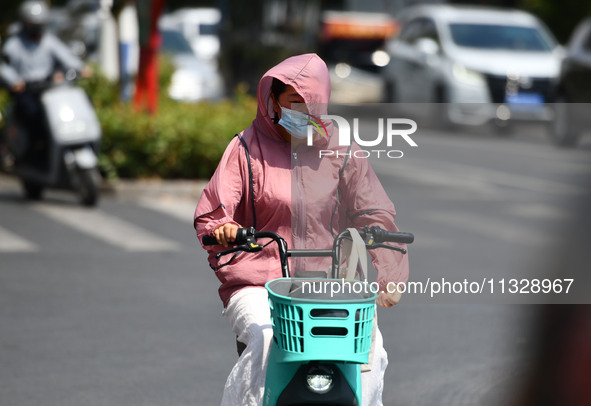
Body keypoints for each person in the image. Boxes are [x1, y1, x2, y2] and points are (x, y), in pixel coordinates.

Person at [194, 53, 409, 406]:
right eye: (293, 103)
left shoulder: (340, 149)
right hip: (258, 284)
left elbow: (376, 213)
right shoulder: (246, 148)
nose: (302, 113)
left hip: (329, 283)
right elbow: (213, 213)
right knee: (266, 342)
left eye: (309, 104)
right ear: (273, 102)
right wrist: (225, 229)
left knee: (372, 347)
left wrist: (389, 273)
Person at [0, 0, 90, 162]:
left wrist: (80, 67)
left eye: (40, 23)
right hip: (27, 91)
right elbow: (5, 67)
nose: (37, 27)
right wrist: (14, 81)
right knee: (32, 113)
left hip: (48, 89)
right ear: (24, 23)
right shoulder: (14, 44)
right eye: (33, 23)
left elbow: (66, 56)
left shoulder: (48, 41)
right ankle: (34, 149)